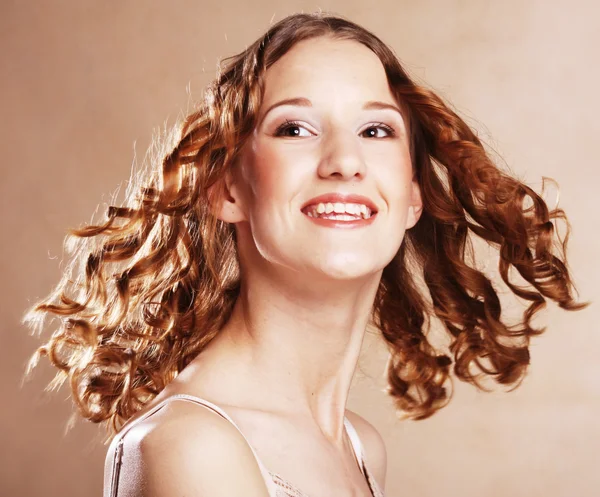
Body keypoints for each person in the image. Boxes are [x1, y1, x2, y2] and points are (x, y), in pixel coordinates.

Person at [24, 12, 585, 497]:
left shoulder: (360, 447)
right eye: (294, 127)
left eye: (375, 129)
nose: (344, 160)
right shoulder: (191, 446)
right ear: (228, 188)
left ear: (413, 195)